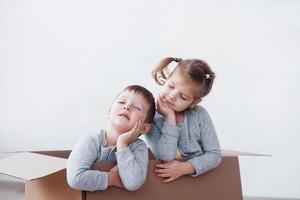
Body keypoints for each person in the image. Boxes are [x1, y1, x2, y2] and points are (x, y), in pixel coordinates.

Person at [144, 57, 222, 183]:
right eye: (171, 86)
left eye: (183, 97)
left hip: (200, 184)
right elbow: (165, 155)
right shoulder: (150, 116)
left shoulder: (199, 115)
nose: (172, 96)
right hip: (167, 186)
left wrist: (185, 168)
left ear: (194, 102)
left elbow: (214, 155)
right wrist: (170, 118)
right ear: (167, 79)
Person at [67, 85, 156, 191]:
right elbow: (75, 178)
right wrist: (111, 178)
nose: (126, 107)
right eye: (122, 102)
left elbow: (133, 183)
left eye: (136, 108)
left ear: (144, 128)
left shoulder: (139, 147)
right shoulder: (91, 140)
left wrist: (122, 143)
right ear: (109, 111)